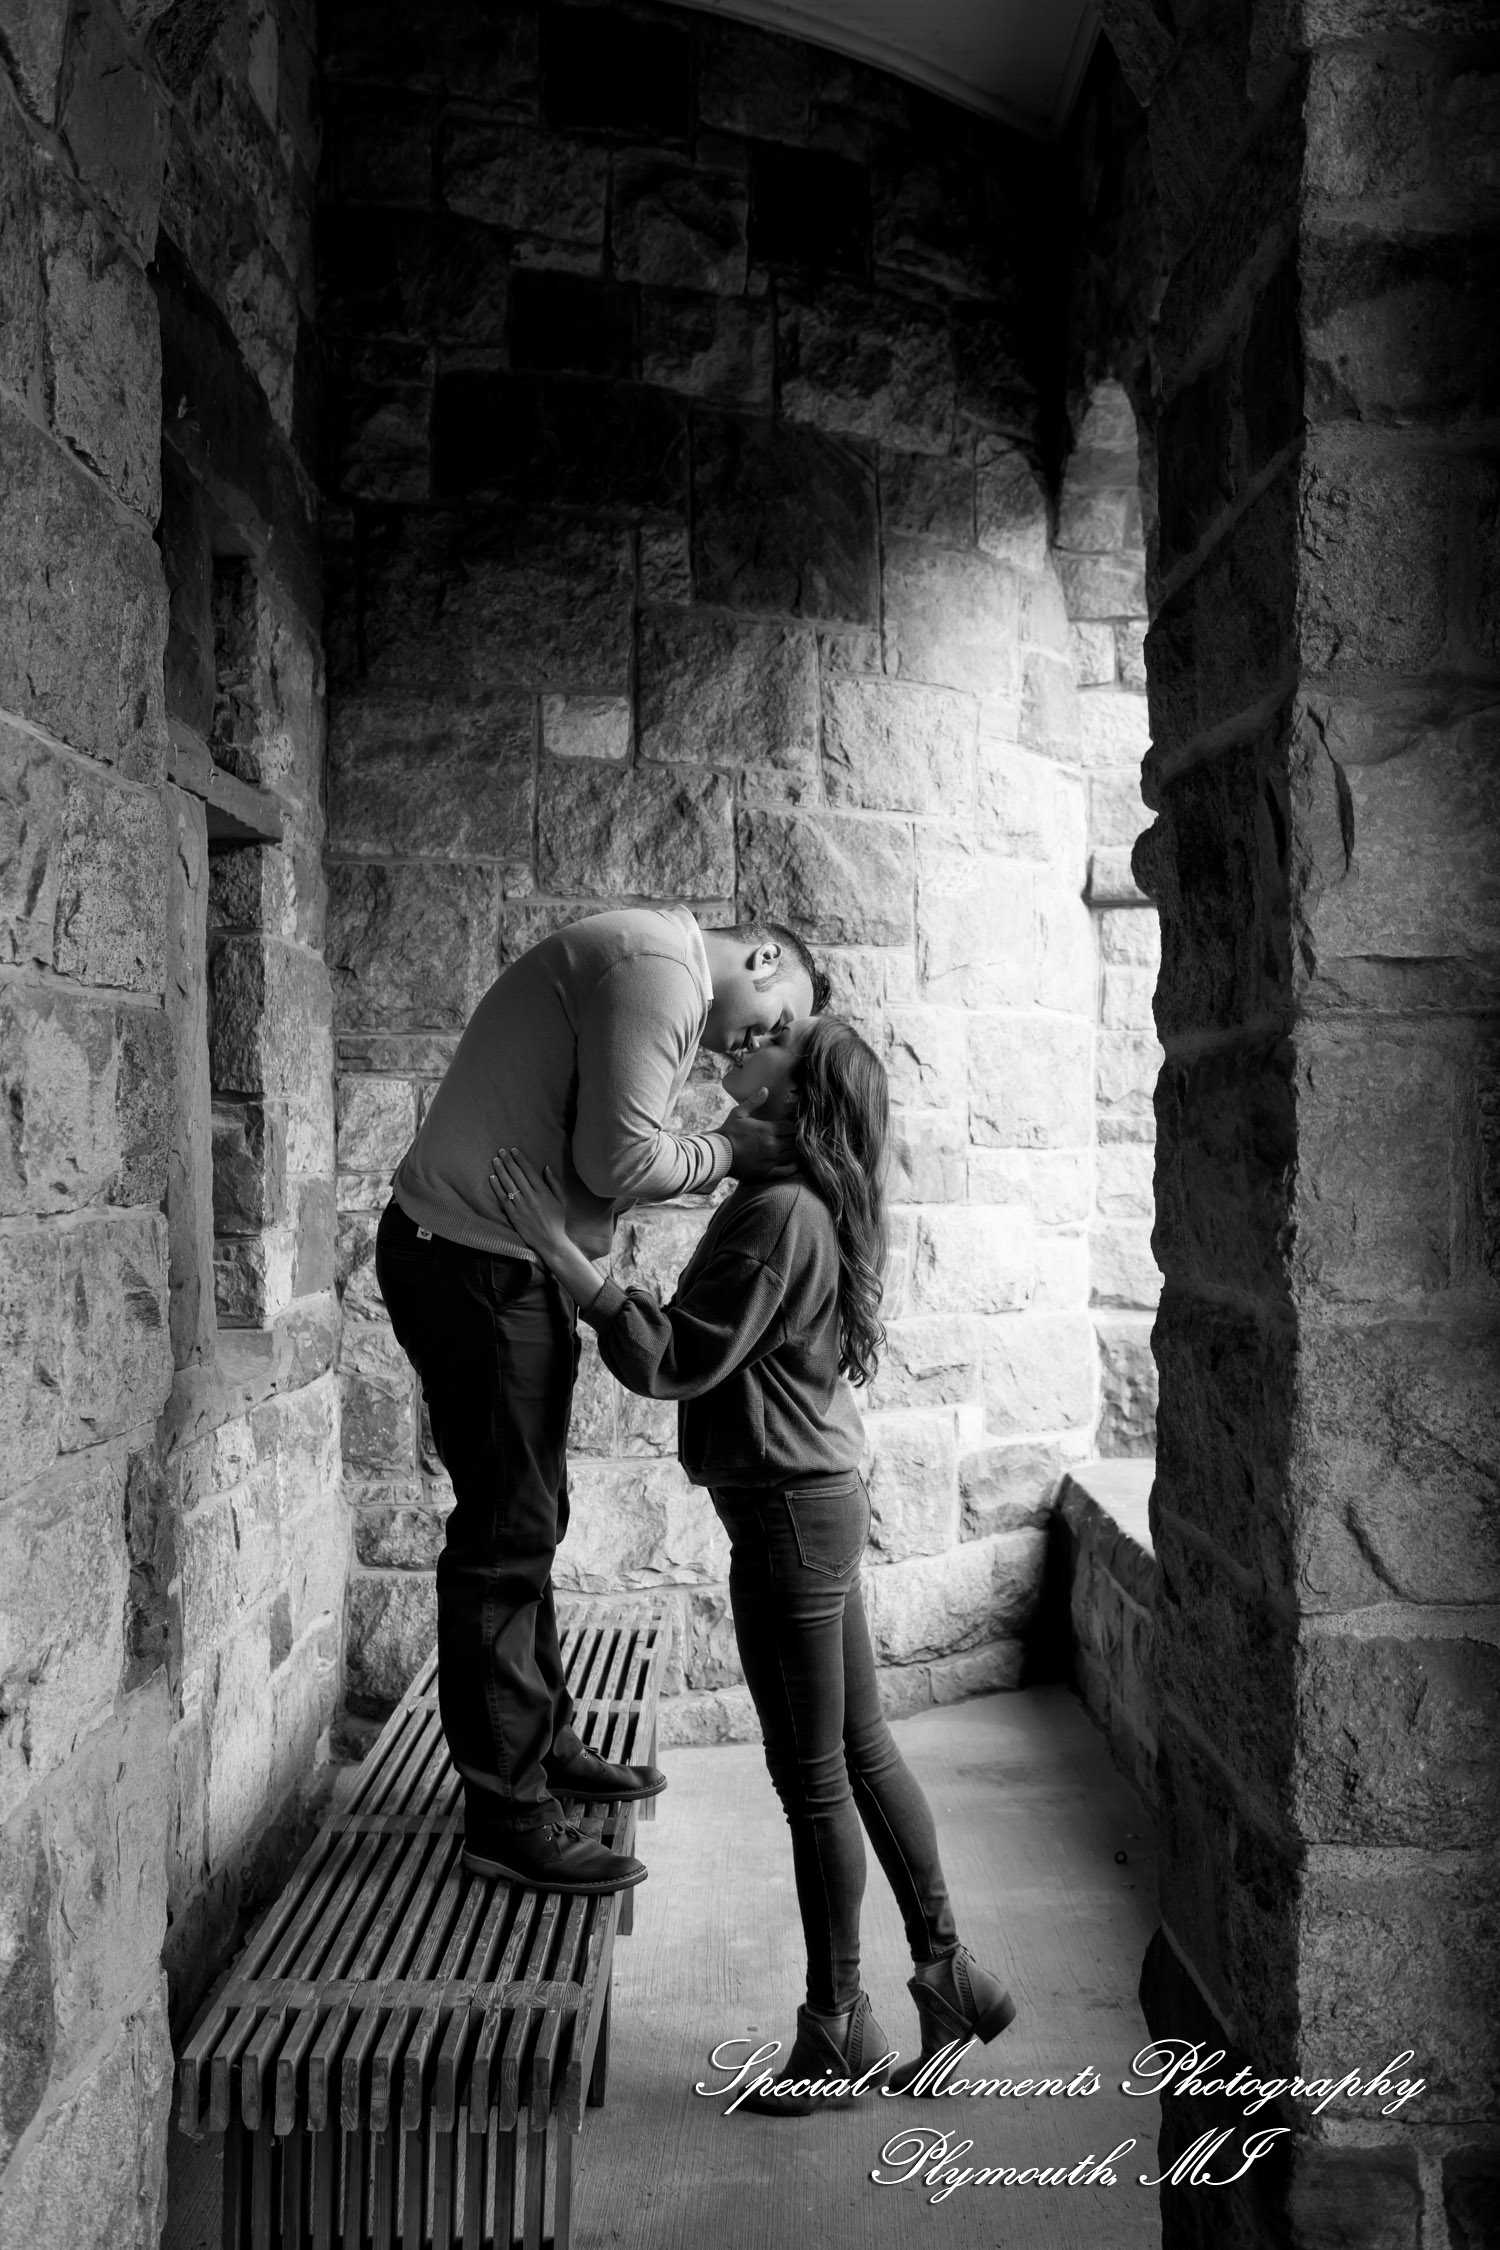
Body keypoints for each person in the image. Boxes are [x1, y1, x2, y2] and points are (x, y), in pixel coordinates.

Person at [489, 1013, 1015, 2108]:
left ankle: (838, 2028)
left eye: (773, 1046)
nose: (743, 1050)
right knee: (861, 1752)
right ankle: (948, 1974)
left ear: (797, 1096)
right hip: (807, 1504)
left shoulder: (780, 1216)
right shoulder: (788, 1202)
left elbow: (675, 1355)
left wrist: (564, 1255)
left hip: (787, 1516)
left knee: (816, 1780)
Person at [374, 907, 827, 1900]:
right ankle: (506, 1814)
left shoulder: (650, 966)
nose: (762, 1047)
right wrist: (724, 1155)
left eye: (782, 1047)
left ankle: (540, 1748)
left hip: (491, 1261)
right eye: (776, 1020)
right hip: (473, 1263)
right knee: (505, 1532)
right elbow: (616, 1163)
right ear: (763, 958)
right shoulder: (661, 968)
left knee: (527, 1517)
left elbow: (599, 1154)